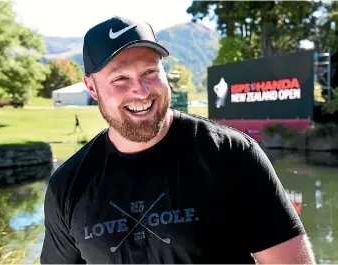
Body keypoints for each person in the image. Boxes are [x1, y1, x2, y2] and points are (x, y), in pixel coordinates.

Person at [40, 16, 316, 264]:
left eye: (149, 72)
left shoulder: (230, 155)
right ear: (92, 87)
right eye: (120, 78)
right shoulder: (68, 185)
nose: (141, 90)